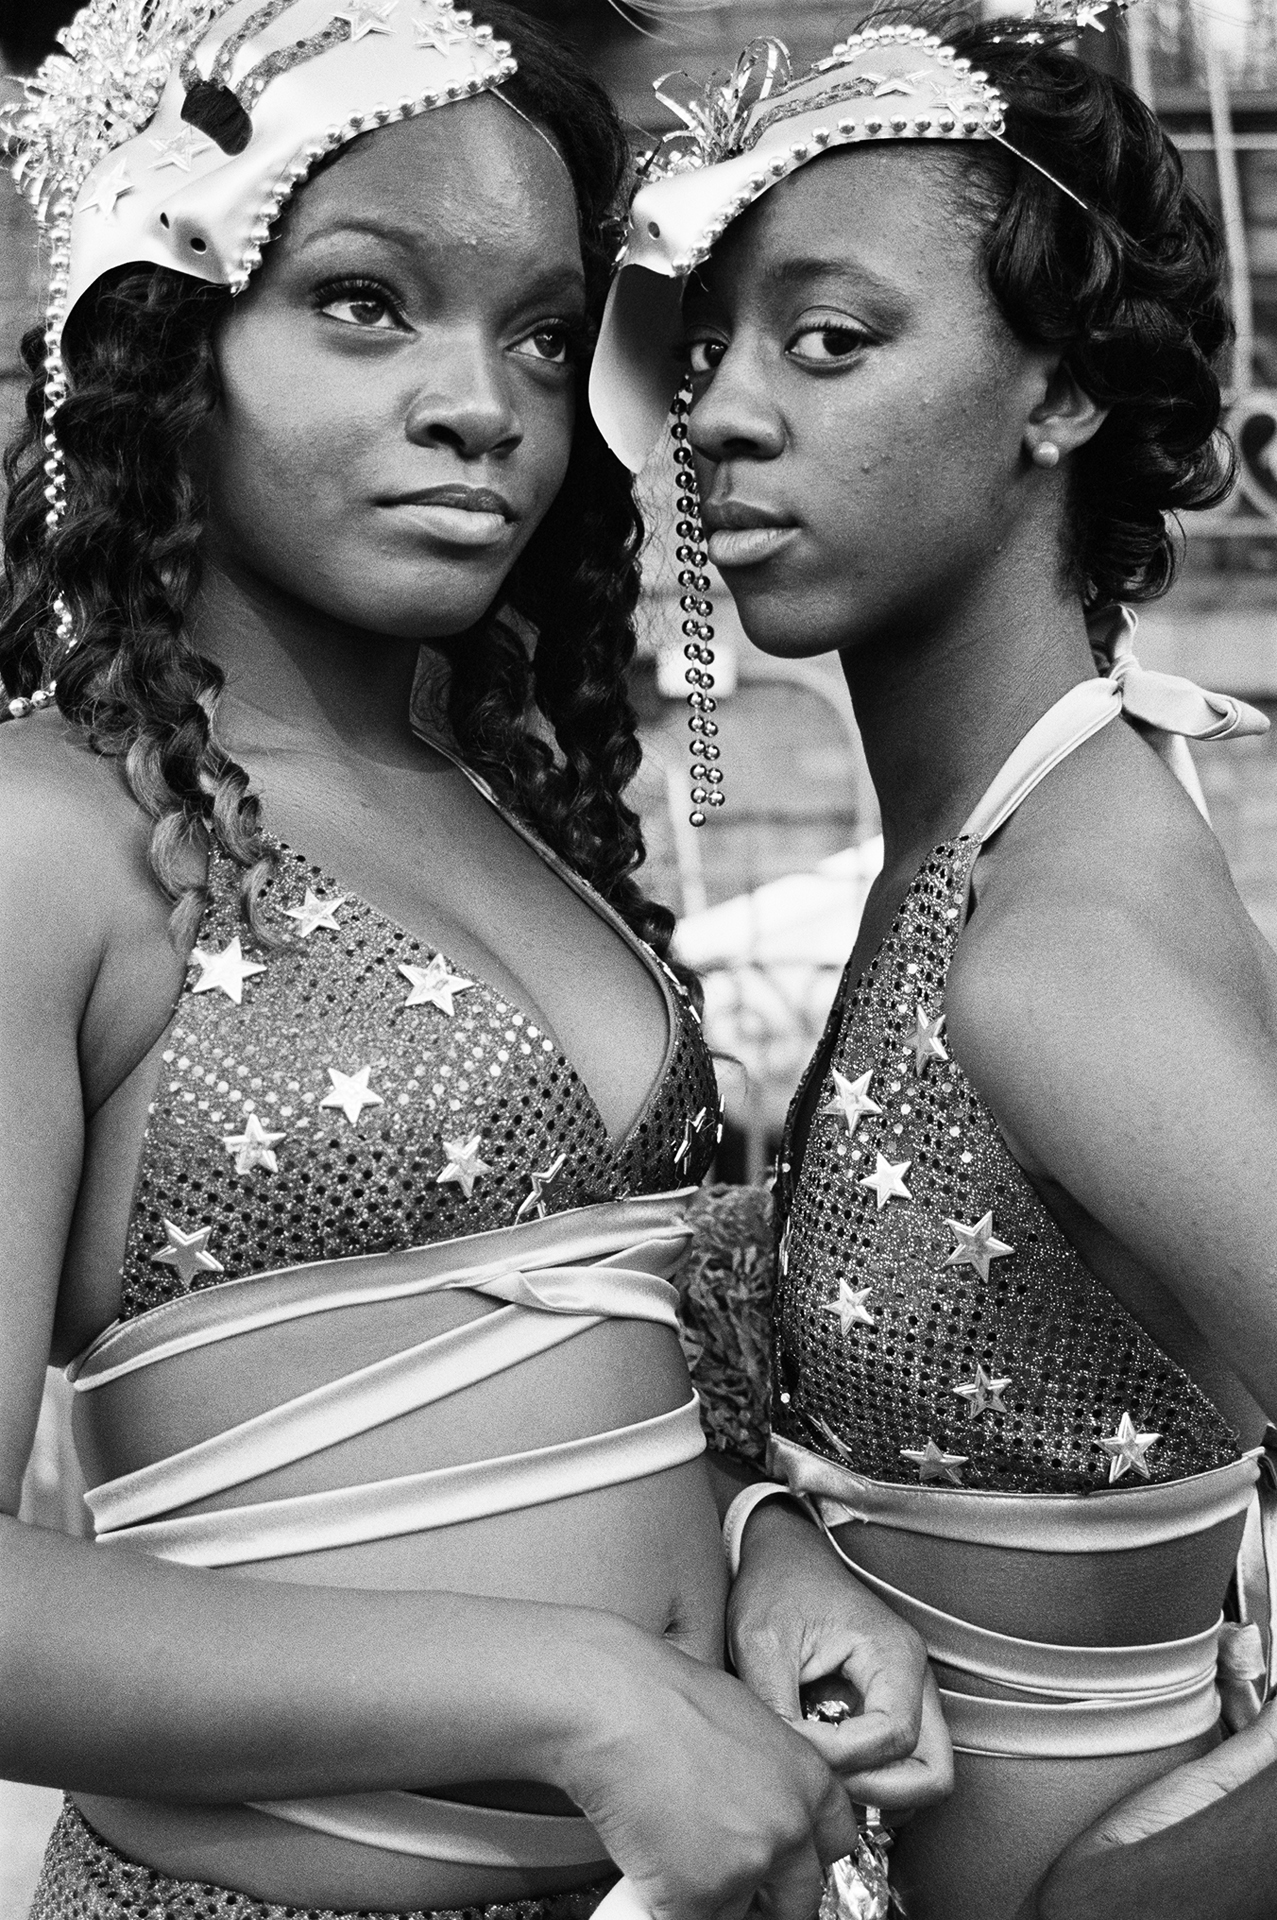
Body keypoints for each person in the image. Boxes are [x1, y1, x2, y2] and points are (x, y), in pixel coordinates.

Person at [0, 3, 950, 1918]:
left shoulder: (518, 809)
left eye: (536, 328)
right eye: (366, 301)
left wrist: (760, 1542)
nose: (485, 403)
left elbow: (605, 1369)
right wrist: (579, 1696)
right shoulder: (51, 833)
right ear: (162, 340)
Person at [590, 5, 1277, 1917]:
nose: (721, 410)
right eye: (713, 346)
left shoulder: (1049, 949)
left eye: (830, 340)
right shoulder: (984, 850)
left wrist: (1139, 1899)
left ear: (1056, 395)